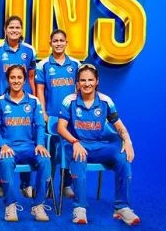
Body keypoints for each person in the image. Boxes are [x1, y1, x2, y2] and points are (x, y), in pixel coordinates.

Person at [57, 64, 139, 225]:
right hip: (77, 145)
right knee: (78, 156)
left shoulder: (106, 101)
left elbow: (119, 126)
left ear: (96, 81)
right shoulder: (69, 100)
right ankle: (79, 208)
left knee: (123, 158)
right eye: (83, 80)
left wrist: (128, 140)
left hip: (99, 145)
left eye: (90, 80)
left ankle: (122, 208)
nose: (87, 84)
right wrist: (75, 141)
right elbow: (61, 128)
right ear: (78, 83)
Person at [0, 65, 52, 222]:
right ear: (8, 80)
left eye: (19, 77)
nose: (16, 81)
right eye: (12, 77)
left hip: (29, 147)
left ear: (24, 79)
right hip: (7, 147)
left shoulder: (34, 101)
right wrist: (2, 145)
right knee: (6, 161)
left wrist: (40, 144)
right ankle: (10, 205)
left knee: (45, 160)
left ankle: (38, 205)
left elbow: (40, 125)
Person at [35, 29, 81, 200]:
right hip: (52, 115)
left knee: (68, 150)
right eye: (55, 40)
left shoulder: (76, 64)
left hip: (71, 117)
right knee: (50, 152)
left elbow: (80, 91)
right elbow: (40, 90)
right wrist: (43, 112)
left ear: (67, 42)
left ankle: (65, 184)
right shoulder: (43, 65)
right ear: (50, 43)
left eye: (62, 40)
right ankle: (47, 186)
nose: (59, 43)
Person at [0, 17, 38, 111]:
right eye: (11, 27)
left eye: (17, 27)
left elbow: (31, 77)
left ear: (22, 30)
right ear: (5, 30)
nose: (14, 30)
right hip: (2, 97)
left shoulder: (30, 50)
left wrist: (34, 98)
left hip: (25, 99)